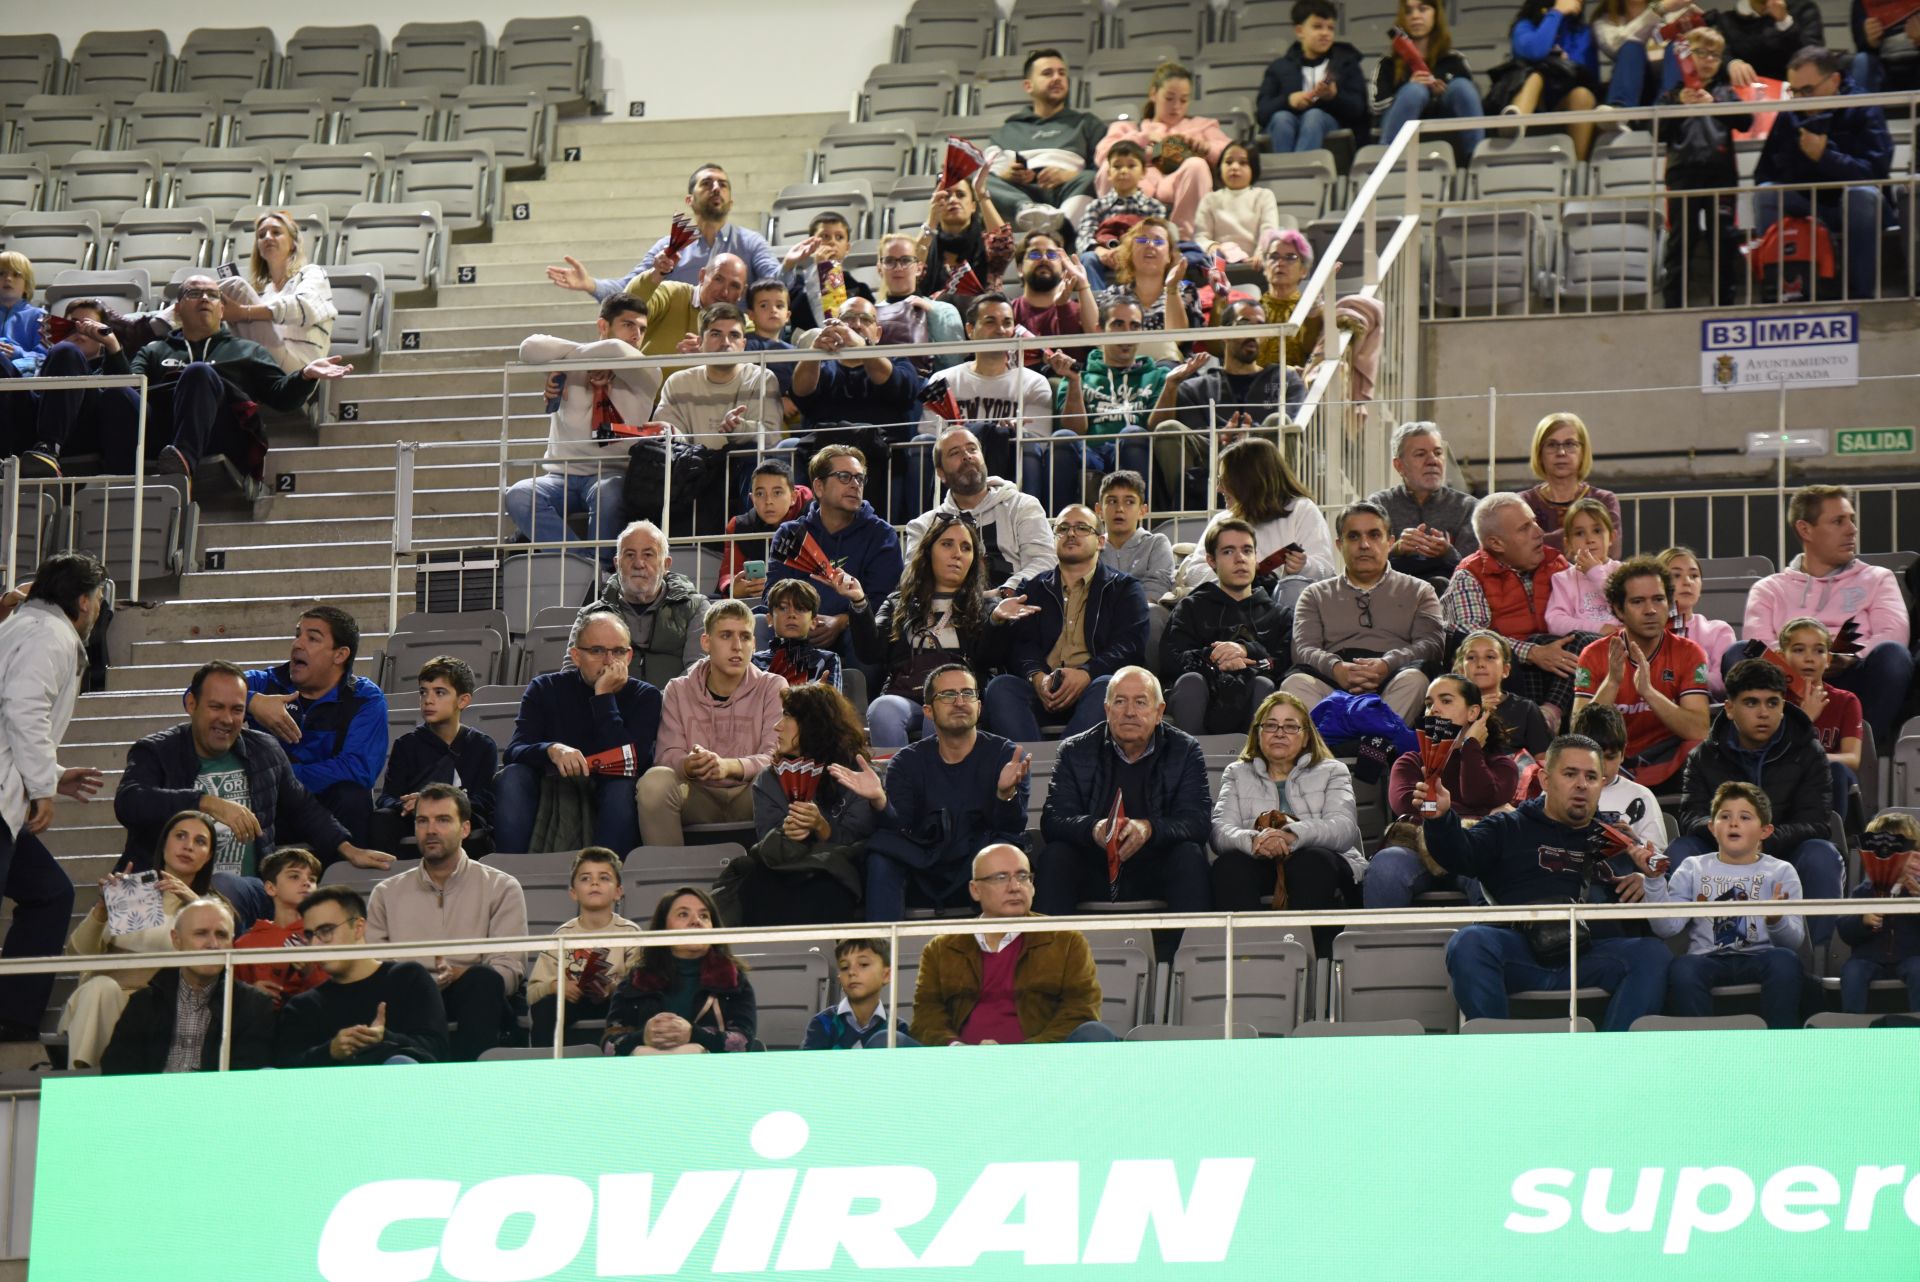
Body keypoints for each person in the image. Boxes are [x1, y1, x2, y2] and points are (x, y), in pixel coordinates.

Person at [1425, 734, 1673, 1030]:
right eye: (1570, 774)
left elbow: (1659, 917)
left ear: (1601, 785)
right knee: (1468, 943)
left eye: (1592, 776)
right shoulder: (1508, 827)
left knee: (1652, 954)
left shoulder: (1616, 839)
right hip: (1518, 954)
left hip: (1588, 957)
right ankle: (1493, 1057)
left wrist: (1647, 880)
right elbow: (1458, 855)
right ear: (1544, 779)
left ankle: (1611, 1060)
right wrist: (1440, 820)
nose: (1582, 784)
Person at [115, 661, 392, 906]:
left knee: (222, 889)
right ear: (191, 705)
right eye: (216, 707)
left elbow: (303, 807)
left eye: (237, 710)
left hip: (241, 897)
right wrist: (206, 802)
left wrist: (348, 848)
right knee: (123, 940)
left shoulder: (266, 750)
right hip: (160, 890)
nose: (227, 719)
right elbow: (130, 802)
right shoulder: (155, 751)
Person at [1669, 658, 1847, 943]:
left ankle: (1814, 958)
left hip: (1783, 849)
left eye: (1773, 703)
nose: (1763, 713)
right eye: (1751, 703)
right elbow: (1692, 817)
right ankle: (1684, 948)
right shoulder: (1703, 756)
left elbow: (1816, 823)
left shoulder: (1809, 752)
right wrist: (1731, 836)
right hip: (1721, 851)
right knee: (1682, 848)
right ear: (1729, 708)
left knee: (1821, 854)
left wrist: (1763, 839)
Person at [0, 552, 101, 1047]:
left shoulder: (25, 626)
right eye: (100, 598)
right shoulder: (52, 635)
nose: (100, 608)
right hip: (3, 802)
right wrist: (42, 788)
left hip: (6, 797)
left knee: (51, 893)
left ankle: (12, 1019)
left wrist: (52, 775)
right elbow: (23, 707)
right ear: (83, 600)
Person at [111, 273, 350, 483]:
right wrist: (112, 350)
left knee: (198, 371)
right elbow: (131, 390)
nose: (205, 298)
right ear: (178, 308)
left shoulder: (247, 350)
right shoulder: (155, 350)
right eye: (194, 293)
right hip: (162, 433)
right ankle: (117, 482)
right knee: (116, 394)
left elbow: (282, 398)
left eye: (213, 295)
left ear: (222, 309)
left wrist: (305, 374)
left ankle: (179, 468)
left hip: (222, 434)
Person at [839, 664, 1032, 920]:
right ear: (928, 711)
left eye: (968, 693)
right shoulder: (907, 762)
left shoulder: (1008, 756)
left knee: (1003, 850)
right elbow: (899, 829)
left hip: (977, 864)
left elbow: (1012, 828)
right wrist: (880, 801)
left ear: (979, 706)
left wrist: (1005, 795)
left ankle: (1000, 950)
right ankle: (882, 950)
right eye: (949, 695)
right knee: (881, 856)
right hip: (923, 867)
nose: (960, 701)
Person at [368, 784, 529, 1061]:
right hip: (411, 999)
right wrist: (421, 982)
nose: (431, 830)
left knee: (483, 979)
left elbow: (509, 969)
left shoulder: (502, 886)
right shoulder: (386, 893)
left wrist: (460, 974)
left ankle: (469, 1081)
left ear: (465, 829)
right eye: (422, 821)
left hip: (474, 996)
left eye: (442, 820)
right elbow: (375, 968)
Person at [1742, 484, 1911, 744]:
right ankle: (1770, 746)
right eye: (1838, 521)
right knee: (1739, 653)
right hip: (1788, 683)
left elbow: (1894, 633)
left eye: (1852, 520)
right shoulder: (1769, 588)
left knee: (1894, 656)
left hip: (1854, 678)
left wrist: (1850, 656)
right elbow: (1758, 642)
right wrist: (1803, 658)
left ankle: (1861, 749)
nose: (1852, 530)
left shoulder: (1877, 578)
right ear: (1805, 529)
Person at [1034, 668, 1212, 915]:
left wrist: (1148, 829)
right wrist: (1094, 829)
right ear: (1107, 710)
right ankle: (1053, 952)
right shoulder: (1075, 750)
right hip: (1094, 866)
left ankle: (1187, 952)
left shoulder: (1185, 750)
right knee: (1055, 856)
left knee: (1190, 856)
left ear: (1159, 712)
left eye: (1140, 702)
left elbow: (1198, 822)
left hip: (1156, 866)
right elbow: (1053, 820)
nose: (1129, 712)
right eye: (1120, 701)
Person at [494, 610, 662, 856]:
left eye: (617, 652)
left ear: (629, 657)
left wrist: (603, 697)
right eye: (597, 651)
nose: (608, 661)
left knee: (622, 787)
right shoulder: (545, 688)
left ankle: (606, 875)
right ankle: (513, 874)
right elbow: (514, 751)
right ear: (576, 656)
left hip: (611, 789)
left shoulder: (645, 696)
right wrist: (553, 749)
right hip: (553, 786)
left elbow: (630, 762)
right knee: (512, 776)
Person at [912, 843, 1115, 1045]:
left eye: (1023, 876)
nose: (1015, 887)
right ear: (975, 890)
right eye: (1001, 878)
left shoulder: (1066, 940)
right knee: (887, 1041)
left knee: (1094, 1033)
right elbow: (927, 1017)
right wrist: (957, 1049)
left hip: (1039, 1065)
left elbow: (1080, 1011)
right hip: (957, 1067)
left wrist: (1018, 1054)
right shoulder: (941, 948)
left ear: (1033, 886)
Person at [61, 810, 220, 1067]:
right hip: (111, 999)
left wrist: (196, 907)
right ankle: (88, 1084)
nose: (188, 846)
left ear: (209, 855)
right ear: (164, 844)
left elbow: (217, 966)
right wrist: (101, 910)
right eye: (180, 836)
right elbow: (78, 955)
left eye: (200, 841)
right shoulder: (133, 893)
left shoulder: (212, 907)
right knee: (101, 989)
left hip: (170, 1007)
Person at [1646, 781, 1807, 1030]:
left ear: (1765, 830)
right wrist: (1654, 880)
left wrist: (1776, 920)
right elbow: (1666, 928)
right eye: (1725, 816)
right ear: (1712, 828)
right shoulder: (1692, 867)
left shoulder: (1781, 871)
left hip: (1761, 956)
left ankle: (1781, 1044)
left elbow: (1793, 941)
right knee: (1683, 969)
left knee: (1785, 962)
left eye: (1745, 817)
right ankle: (1700, 1047)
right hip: (1707, 958)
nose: (1734, 823)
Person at [852, 513, 1022, 748]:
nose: (957, 554)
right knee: (883, 709)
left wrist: (994, 623)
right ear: (928, 552)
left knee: (943, 709)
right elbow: (870, 652)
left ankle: (934, 781)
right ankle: (894, 782)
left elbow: (987, 659)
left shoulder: (986, 607)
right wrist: (860, 604)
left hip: (957, 697)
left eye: (966, 547)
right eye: (947, 544)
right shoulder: (898, 602)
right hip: (906, 694)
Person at [985, 505, 1150, 742]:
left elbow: (1129, 646)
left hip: (1093, 688)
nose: (1071, 534)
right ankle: (1030, 769)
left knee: (1109, 686)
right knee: (1001, 687)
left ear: (1101, 541)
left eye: (1082, 528)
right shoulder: (1031, 588)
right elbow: (1022, 644)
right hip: (1042, 689)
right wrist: (1037, 677)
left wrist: (1087, 673)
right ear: (1054, 539)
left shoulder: (1124, 588)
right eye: (1063, 528)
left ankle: (1064, 768)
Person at [1211, 690, 1363, 942]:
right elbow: (1220, 831)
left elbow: (1344, 828)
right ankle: (1250, 957)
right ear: (1258, 734)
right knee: (1229, 866)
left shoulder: (1333, 770)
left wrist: (1291, 835)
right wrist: (1254, 840)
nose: (1280, 733)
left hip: (1323, 862)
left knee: (1312, 862)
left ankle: (1310, 959)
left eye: (1291, 726)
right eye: (1271, 725)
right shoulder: (1237, 773)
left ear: (1306, 737)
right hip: (1261, 860)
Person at [722, 683, 877, 925]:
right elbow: (767, 845)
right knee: (754, 882)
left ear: (814, 724)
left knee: (825, 886)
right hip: (783, 868)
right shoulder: (769, 779)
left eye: (787, 716)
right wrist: (789, 832)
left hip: (834, 873)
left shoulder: (857, 774)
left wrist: (822, 827)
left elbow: (862, 844)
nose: (777, 726)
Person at [510, 296, 653, 556]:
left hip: (612, 473)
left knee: (608, 493)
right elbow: (529, 348)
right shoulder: (571, 366)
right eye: (628, 325)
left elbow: (617, 352)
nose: (636, 335)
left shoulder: (646, 371)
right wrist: (582, 362)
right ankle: (586, 568)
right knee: (517, 494)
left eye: (642, 329)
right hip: (559, 475)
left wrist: (570, 360)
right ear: (603, 326)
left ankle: (602, 566)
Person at [1282, 500, 1445, 725]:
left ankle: (1373, 746)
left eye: (1374, 535)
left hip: (1393, 678)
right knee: (1294, 685)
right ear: (1340, 545)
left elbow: (1432, 645)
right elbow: (1303, 649)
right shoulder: (1314, 594)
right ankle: (1334, 748)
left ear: (1390, 542)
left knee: (1415, 680)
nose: (1364, 544)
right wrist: (1336, 668)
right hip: (1333, 683)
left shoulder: (1419, 591)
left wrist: (1387, 664)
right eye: (1354, 536)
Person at [638, 601, 786, 846]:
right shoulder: (678, 689)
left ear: (754, 644)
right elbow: (666, 756)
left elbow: (776, 756)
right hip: (696, 796)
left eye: (745, 637)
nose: (737, 646)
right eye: (726, 636)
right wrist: (689, 765)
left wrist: (729, 767)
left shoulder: (773, 686)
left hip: (751, 795)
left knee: (782, 776)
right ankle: (671, 878)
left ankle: (777, 872)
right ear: (706, 643)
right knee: (655, 781)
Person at [237, 605, 387, 847]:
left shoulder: (365, 698)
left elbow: (358, 769)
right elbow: (197, 694)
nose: (298, 644)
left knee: (352, 796)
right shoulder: (264, 684)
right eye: (298, 634)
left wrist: (281, 778)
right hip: (272, 806)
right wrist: (251, 702)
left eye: (312, 638)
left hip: (326, 805)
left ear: (340, 655)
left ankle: (344, 881)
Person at [1367, 674, 1518, 908]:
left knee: (1489, 863)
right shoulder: (1410, 762)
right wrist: (1472, 814)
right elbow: (1407, 805)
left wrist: (1470, 747)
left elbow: (1477, 794)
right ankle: (1382, 943)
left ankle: (1485, 941)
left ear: (1473, 713)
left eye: (1446, 701)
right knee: (1387, 863)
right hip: (1417, 848)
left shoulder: (1501, 765)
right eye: (1428, 704)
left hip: (1472, 848)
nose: (1434, 710)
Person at [1754, 46, 1892, 302]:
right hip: (1808, 205)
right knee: (1766, 194)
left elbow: (1875, 174)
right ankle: (1776, 289)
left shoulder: (1863, 106)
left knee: (1861, 195)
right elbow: (1764, 172)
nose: (1801, 99)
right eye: (1794, 92)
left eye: (1808, 90)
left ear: (1834, 80)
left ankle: (1862, 297)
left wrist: (1825, 157)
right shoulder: (1790, 114)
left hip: (1856, 206)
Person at [1571, 557, 1712, 791]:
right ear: (1618, 609)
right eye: (1638, 602)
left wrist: (1648, 692)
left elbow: (1698, 729)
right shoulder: (1594, 654)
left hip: (1668, 764)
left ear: (1669, 603)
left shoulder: (1689, 652)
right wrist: (1611, 683)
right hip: (1608, 767)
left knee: (1700, 749)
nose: (1651, 610)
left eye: (1658, 599)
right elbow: (1579, 734)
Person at [764, 446, 905, 679]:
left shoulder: (881, 534)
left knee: (861, 636)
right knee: (763, 622)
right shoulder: (791, 534)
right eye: (844, 477)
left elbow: (886, 603)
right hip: (798, 626)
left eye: (860, 478)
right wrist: (804, 619)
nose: (855, 484)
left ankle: (857, 713)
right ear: (818, 487)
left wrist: (841, 621)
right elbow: (772, 593)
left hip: (855, 632)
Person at [274, 885, 451, 1067]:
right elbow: (286, 1067)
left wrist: (384, 1039)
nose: (315, 944)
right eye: (310, 935)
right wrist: (330, 1051)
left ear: (358, 928)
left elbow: (437, 1049)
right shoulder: (302, 1006)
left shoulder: (408, 978)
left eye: (326, 931)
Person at [1445, 493, 1579, 731]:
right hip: (1514, 674)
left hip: (1559, 670)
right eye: (1524, 528)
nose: (1539, 532)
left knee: (1585, 641)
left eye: (1535, 522)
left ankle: (1550, 715)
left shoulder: (1555, 561)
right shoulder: (1470, 574)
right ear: (1496, 543)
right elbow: (1474, 637)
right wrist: (1533, 652)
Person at [1150, 308, 1306, 511]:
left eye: (1260, 327)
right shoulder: (1195, 387)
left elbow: (1293, 422)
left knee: (1280, 421)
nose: (1252, 333)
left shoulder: (1285, 378)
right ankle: (1185, 513)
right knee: (1168, 428)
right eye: (1244, 324)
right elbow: (1189, 432)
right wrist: (1220, 438)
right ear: (1224, 333)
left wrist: (1250, 435)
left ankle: (1285, 507)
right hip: (1213, 460)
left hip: (1266, 458)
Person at [547, 162, 781, 297]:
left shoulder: (751, 243)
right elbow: (628, 289)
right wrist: (590, 284)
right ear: (689, 200)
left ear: (731, 202)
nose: (716, 188)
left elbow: (777, 285)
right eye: (707, 184)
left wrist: (789, 264)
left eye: (723, 185)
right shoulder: (668, 248)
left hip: (736, 342)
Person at [99, 899, 276, 1075]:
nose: (213, 945)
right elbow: (117, 1069)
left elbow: (246, 1079)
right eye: (201, 933)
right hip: (150, 1099)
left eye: (221, 935)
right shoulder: (143, 1003)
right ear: (176, 940)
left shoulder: (254, 1006)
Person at [913, 300, 1058, 503]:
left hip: (1009, 464)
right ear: (970, 330)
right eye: (990, 322)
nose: (1000, 329)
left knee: (1025, 445)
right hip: (954, 468)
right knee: (921, 445)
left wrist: (1014, 434)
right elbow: (928, 436)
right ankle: (928, 523)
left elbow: (1039, 443)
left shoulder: (1034, 382)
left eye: (1007, 323)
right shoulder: (941, 379)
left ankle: (1028, 519)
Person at [787, 297, 926, 510]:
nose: (856, 324)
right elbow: (800, 393)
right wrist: (813, 353)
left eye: (865, 319)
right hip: (823, 458)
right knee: (786, 448)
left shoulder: (896, 360)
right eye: (848, 318)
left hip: (882, 460)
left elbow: (901, 389)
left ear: (878, 333)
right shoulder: (822, 366)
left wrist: (863, 347)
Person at [1164, 517, 1294, 735]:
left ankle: (1258, 762)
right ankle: (1192, 761)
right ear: (1211, 560)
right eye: (1228, 551)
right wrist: (1215, 658)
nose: (1240, 559)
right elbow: (1171, 660)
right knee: (1190, 682)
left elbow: (1282, 664)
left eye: (1247, 551)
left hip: (1255, 699)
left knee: (1264, 685)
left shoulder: (1278, 615)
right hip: (1202, 694)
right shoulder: (1190, 608)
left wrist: (1247, 652)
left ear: (1256, 558)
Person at [1657, 28, 1750, 309]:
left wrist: (1716, 104)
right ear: (1686, 57)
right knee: (1680, 242)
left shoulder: (1724, 93)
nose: (1709, 60)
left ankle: (1725, 305)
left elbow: (1746, 121)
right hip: (1683, 175)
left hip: (1720, 175)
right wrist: (1679, 107)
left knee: (1723, 241)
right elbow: (1659, 132)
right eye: (1702, 53)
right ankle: (1673, 307)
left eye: (1715, 55)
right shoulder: (1672, 95)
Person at [900, 428, 1056, 597]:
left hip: (1017, 609)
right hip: (949, 617)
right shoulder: (923, 526)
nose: (966, 456)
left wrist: (1003, 593)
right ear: (941, 473)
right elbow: (914, 581)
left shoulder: (1023, 506)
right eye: (954, 453)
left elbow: (1044, 562)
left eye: (972, 449)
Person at [604, 886, 756, 1054]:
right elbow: (610, 1045)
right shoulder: (636, 980)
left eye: (704, 916)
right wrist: (643, 1036)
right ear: (664, 927)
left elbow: (743, 1042)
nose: (696, 921)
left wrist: (693, 1034)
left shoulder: (732, 979)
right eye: (683, 914)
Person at [1173, 438, 1334, 595]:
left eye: (1225, 481)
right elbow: (1194, 573)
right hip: (1229, 609)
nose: (1218, 488)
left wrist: (1304, 566)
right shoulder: (1223, 520)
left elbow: (1326, 570)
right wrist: (1237, 574)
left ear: (1248, 481)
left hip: (1284, 607)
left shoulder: (1302, 509)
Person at [372, 655, 498, 857]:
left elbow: (483, 802)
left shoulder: (482, 746)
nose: (428, 700)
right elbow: (387, 797)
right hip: (413, 818)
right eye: (423, 692)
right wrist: (410, 805)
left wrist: (437, 802)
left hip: (460, 816)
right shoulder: (406, 745)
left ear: (463, 700)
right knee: (382, 819)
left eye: (440, 693)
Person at [1, 299, 143, 478]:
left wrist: (112, 344)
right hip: (34, 424)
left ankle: (49, 447)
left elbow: (125, 399)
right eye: (73, 325)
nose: (81, 333)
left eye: (89, 327)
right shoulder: (41, 361)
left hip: (84, 429)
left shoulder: (109, 364)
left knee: (67, 352)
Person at [1091, 62, 1230, 238]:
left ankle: (1185, 240)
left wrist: (1207, 148)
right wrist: (1143, 138)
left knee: (1196, 165)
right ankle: (1117, 232)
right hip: (1138, 188)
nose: (1177, 106)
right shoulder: (1129, 128)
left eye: (1184, 100)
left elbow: (1232, 153)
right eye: (1169, 98)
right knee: (1107, 168)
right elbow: (1102, 154)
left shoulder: (1202, 126)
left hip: (1179, 183)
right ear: (1154, 94)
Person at [526, 847, 642, 1047]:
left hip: (614, 1003)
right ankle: (544, 1067)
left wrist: (614, 988)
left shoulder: (630, 933)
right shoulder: (563, 936)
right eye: (585, 878)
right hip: (573, 1003)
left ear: (618, 892)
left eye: (604, 878)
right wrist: (558, 987)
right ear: (573, 892)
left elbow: (641, 982)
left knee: (636, 1004)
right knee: (546, 1007)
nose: (594, 883)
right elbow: (532, 992)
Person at [584, 520, 712, 692]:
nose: (638, 564)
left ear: (666, 564)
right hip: (611, 706)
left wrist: (654, 703)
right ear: (617, 563)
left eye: (648, 555)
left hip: (677, 710)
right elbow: (574, 671)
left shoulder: (696, 608)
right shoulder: (592, 615)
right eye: (629, 555)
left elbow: (699, 670)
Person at [985, 49, 1107, 230]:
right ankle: (1026, 208)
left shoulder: (1086, 123)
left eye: (1062, 73)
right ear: (1028, 86)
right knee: (975, 177)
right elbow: (989, 169)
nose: (1057, 78)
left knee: (1091, 178)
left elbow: (1104, 171)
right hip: (1019, 193)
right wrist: (1006, 174)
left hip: (1068, 191)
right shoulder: (1008, 130)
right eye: (1047, 73)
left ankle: (1060, 231)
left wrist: (1071, 175)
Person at [210, 209, 335, 374]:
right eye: (261, 235)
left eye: (276, 232)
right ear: (259, 249)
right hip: (261, 361)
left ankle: (171, 321)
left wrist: (242, 312)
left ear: (292, 243)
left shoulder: (312, 273)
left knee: (235, 287)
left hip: (300, 369)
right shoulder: (263, 292)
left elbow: (303, 306)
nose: (268, 237)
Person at [1057, 297, 1158, 493]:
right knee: (1062, 437)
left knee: (1133, 434)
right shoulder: (1078, 376)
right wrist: (1074, 381)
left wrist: (1171, 385)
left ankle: (1141, 517)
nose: (1127, 333)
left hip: (1134, 452)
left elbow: (1157, 427)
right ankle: (1062, 521)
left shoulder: (1157, 376)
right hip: (1089, 454)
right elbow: (1074, 430)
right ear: (1099, 330)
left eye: (1134, 325)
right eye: (1118, 324)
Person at [650, 303, 781, 454]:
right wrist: (672, 433)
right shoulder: (677, 383)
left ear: (743, 344)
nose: (725, 342)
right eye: (716, 334)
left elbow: (771, 438)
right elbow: (669, 439)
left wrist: (741, 429)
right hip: (692, 468)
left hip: (743, 469)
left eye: (734, 335)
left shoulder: (761, 378)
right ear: (699, 343)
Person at [1366, 420, 1480, 586]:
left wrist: (1447, 552)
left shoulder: (1468, 507)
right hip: (1392, 594)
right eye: (1420, 454)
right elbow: (1365, 564)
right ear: (1399, 466)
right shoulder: (1379, 505)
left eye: (1438, 453)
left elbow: (1476, 571)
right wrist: (1396, 550)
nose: (1432, 460)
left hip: (1450, 597)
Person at [1375, 0, 1487, 160]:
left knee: (1462, 86)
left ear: (1436, 14)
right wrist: (1407, 89)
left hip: (1446, 122)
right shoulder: (1388, 62)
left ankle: (1478, 160)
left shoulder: (1454, 59)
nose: (1415, 16)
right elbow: (1377, 106)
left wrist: (1439, 94)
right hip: (1399, 125)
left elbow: (1470, 102)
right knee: (1414, 91)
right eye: (1408, 11)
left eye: (1422, 9)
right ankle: (1385, 163)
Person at [1777, 616, 1864, 817]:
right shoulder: (1773, 698)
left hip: (1827, 776)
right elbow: (1772, 753)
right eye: (1799, 650)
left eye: (1818, 651)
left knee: (1835, 769)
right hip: (1783, 779)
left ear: (1828, 660)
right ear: (1782, 657)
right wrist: (1805, 718)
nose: (1809, 658)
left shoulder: (1846, 701)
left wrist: (1813, 759)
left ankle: (1829, 840)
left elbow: (1852, 758)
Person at [1259, 0, 1372, 153]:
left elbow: (1359, 109)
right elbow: (1262, 113)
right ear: (1299, 31)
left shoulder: (1346, 63)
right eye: (1317, 27)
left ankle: (1296, 173)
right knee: (1281, 119)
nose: (1325, 33)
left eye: (1330, 28)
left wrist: (1334, 97)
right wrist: (1289, 101)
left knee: (1313, 116)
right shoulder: (1279, 67)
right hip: (1288, 120)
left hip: (1333, 127)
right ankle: (1290, 171)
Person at [1835, 812, 1920, 1012]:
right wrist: (1863, 921)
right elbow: (1845, 929)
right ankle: (1853, 1026)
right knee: (1853, 972)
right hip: (1868, 957)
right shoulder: (1865, 890)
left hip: (1913, 956)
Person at [1501, 0, 1604, 162]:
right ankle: (1514, 128)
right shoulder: (1524, 26)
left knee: (1582, 95)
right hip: (1534, 102)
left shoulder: (1582, 33)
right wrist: (1556, 13)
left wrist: (1561, 63)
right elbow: (1534, 50)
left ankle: (1578, 169)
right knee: (1536, 76)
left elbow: (1589, 78)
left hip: (1565, 100)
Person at [616, 245, 751, 363]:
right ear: (702, 276)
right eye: (718, 279)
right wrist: (657, 273)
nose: (725, 292)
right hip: (651, 391)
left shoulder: (744, 325)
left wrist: (708, 354)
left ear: (742, 292)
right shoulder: (671, 294)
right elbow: (629, 304)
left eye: (734, 286)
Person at [232, 846, 325, 1008]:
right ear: (270, 888)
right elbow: (230, 998)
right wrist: (251, 993)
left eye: (312, 879)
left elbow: (337, 995)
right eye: (294, 876)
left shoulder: (325, 937)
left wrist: (310, 973)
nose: (306, 883)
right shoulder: (244, 944)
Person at [1094, 217, 1195, 364]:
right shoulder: (1113, 295)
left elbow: (1176, 339)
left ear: (1169, 256)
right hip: (1120, 370)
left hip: (1169, 369)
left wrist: (1172, 289)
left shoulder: (1186, 291)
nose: (1150, 245)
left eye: (1159, 241)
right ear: (1130, 252)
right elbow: (1097, 338)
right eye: (1142, 240)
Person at [1521, 413, 1622, 558]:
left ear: (1583, 451)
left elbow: (1611, 553)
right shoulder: (1523, 503)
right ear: (1539, 453)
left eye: (1569, 444)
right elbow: (1521, 553)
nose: (1561, 452)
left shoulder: (1604, 500)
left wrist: (1541, 541)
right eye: (1552, 445)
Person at [1575, 702, 1671, 854]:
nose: (1601, 766)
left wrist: (1634, 844)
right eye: (1594, 757)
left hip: (1625, 874)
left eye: (1610, 757)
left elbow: (1659, 860)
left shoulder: (1641, 796)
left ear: (1623, 752)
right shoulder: (1558, 790)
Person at [1077, 141, 1171, 292]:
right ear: (1108, 173)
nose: (1123, 171)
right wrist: (1099, 251)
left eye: (1131, 165)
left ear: (1143, 173)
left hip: (1139, 254)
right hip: (1104, 256)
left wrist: (1126, 251)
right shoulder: (1096, 207)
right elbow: (1084, 236)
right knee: (1087, 258)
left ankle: (1143, 303)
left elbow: (1157, 239)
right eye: (1117, 166)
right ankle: (1097, 304)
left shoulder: (1154, 207)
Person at [716, 460, 812, 603]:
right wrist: (733, 588)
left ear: (793, 497)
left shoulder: (813, 518)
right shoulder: (738, 525)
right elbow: (728, 572)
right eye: (760, 494)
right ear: (752, 498)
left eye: (777, 493)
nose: (768, 501)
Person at [872, 232, 966, 377]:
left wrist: (932, 313)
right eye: (890, 261)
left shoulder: (944, 311)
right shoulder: (870, 314)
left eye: (906, 260)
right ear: (879, 269)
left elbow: (954, 364)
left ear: (919, 268)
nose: (898, 267)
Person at [914, 171, 1014, 301]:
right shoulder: (927, 245)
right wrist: (931, 221)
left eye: (960, 195)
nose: (953, 200)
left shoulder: (986, 245)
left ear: (973, 206)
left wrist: (980, 193)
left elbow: (1004, 243)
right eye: (946, 195)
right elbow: (909, 267)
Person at [1456, 627, 1555, 755]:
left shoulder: (1526, 709)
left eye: (1490, 657)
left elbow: (1542, 762)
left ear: (1505, 670)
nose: (1480, 663)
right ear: (1461, 670)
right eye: (1471, 657)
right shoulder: (1449, 707)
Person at [778, 210, 876, 335]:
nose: (832, 242)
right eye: (825, 236)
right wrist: (822, 269)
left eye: (839, 237)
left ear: (847, 248)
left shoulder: (858, 289)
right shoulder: (798, 287)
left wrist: (828, 270)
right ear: (812, 244)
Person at [803, 938, 913, 1049]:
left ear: (886, 975)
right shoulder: (822, 1023)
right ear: (839, 978)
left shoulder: (899, 1029)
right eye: (844, 967)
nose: (851, 972)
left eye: (863, 964)